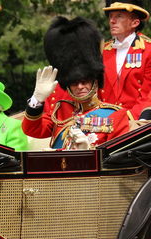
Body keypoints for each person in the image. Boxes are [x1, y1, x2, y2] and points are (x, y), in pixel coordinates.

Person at [22, 16, 131, 150]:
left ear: (94, 81)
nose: (80, 86)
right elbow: (31, 130)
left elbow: (118, 157)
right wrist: (37, 100)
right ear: (67, 84)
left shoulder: (115, 115)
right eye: (74, 83)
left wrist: (89, 150)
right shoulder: (60, 111)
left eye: (84, 81)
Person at [44, 0, 151, 120]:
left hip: (138, 123)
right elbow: (86, 86)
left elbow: (148, 95)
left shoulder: (148, 50)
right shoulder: (101, 51)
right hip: (104, 122)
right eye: (110, 16)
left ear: (135, 22)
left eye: (119, 16)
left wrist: (131, 120)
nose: (112, 21)